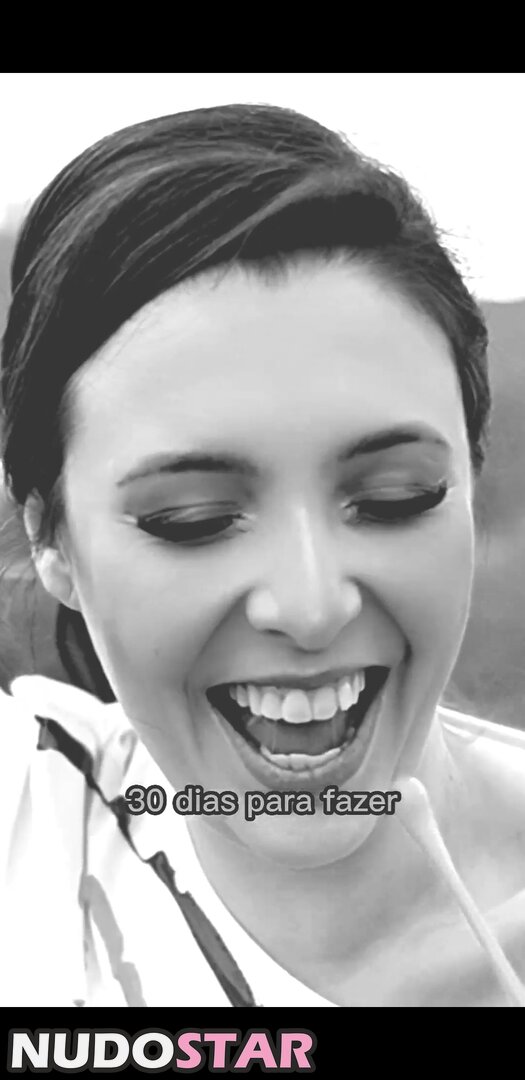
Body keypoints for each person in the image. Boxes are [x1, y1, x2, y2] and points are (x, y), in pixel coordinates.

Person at [1, 103, 525, 1008]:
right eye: (192, 518)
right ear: (53, 540)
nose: (312, 606)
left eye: (395, 497)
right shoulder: (32, 818)